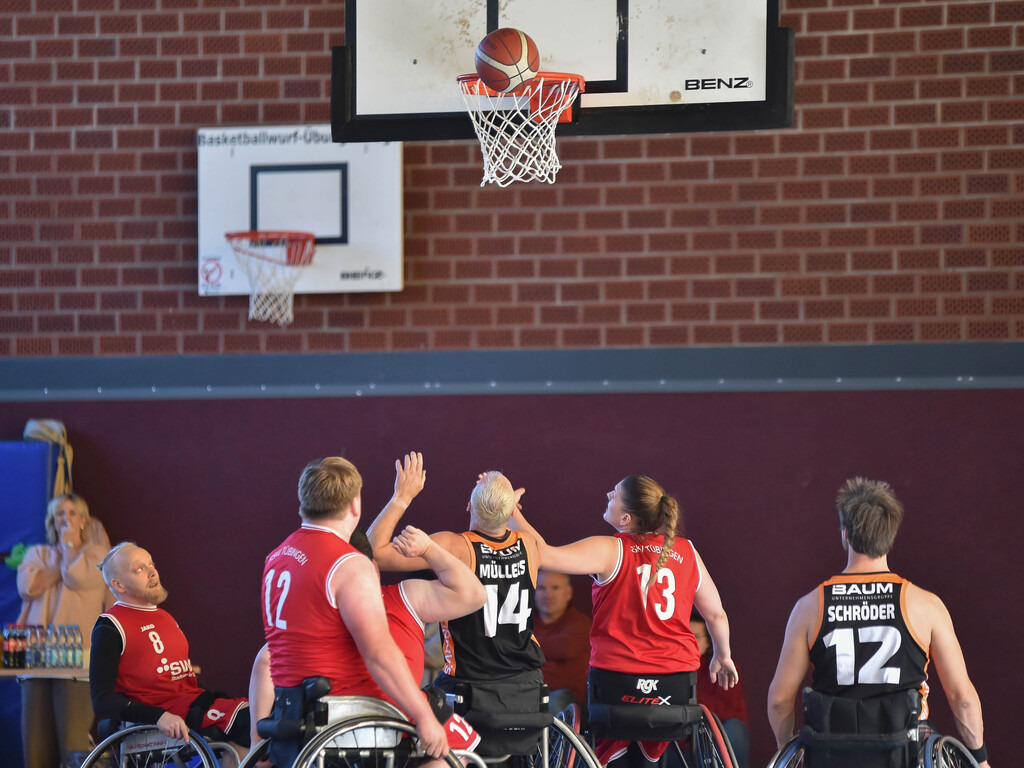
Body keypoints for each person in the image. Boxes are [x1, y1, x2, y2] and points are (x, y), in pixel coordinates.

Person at [509, 474, 739, 768]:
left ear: (627, 518)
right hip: (675, 687)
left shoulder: (610, 549)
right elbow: (716, 614)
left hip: (617, 687)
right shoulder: (687, 551)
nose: (608, 495)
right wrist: (723, 654)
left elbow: (542, 553)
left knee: (607, 733)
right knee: (652, 743)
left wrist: (512, 513)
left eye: (614, 495)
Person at [766, 477, 991, 768]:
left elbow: (779, 700)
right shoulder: (925, 605)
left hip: (832, 754)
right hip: (904, 753)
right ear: (891, 536)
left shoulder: (809, 607)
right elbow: (962, 698)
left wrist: (788, 750)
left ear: (845, 534)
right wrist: (981, 760)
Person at [260, 455, 449, 761]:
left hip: (291, 714)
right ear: (355, 506)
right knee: (451, 733)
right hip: (348, 719)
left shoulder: (276, 557)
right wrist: (423, 714)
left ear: (303, 500)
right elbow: (379, 653)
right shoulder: (349, 564)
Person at [249, 526, 485, 755]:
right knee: (455, 746)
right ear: (372, 566)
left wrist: (257, 742)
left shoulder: (315, 612)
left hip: (324, 729)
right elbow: (474, 595)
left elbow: (264, 661)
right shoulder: (404, 597)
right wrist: (428, 550)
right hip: (396, 720)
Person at [366, 460, 546, 699]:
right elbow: (506, 525)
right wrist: (503, 503)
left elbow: (372, 553)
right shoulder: (530, 544)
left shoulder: (455, 546)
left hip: (468, 683)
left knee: (416, 705)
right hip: (525, 682)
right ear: (511, 510)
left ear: (469, 506)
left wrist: (402, 496)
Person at [90, 542, 250, 757]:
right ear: (119, 585)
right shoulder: (110, 626)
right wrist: (158, 716)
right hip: (164, 718)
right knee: (252, 723)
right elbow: (102, 700)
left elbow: (180, 682)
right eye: (140, 569)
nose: (152, 572)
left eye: (151, 564)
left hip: (192, 705)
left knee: (268, 719)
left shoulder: (165, 618)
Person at [16, 493, 114, 768]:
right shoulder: (38, 553)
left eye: (72, 513)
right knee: (35, 744)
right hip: (36, 658)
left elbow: (78, 577)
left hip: (77, 661)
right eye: (60, 514)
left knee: (72, 745)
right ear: (52, 520)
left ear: (83, 520)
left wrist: (70, 550)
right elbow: (28, 587)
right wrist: (63, 558)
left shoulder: (97, 555)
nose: (65, 519)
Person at [690, 610, 749, 768]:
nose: (690, 642)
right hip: (682, 738)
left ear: (708, 641)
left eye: (695, 637)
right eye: (685, 636)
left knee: (734, 729)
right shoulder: (672, 667)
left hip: (717, 737)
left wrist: (694, 703)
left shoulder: (724, 667)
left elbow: (729, 711)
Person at [533, 569, 591, 711]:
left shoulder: (581, 623)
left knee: (555, 699)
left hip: (566, 699)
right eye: (541, 588)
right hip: (528, 693)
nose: (548, 595)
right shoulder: (525, 623)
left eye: (555, 588)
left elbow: (565, 648)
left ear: (568, 593)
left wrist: (523, 645)